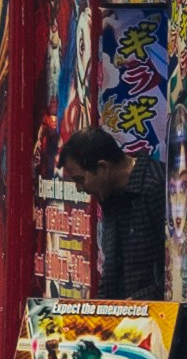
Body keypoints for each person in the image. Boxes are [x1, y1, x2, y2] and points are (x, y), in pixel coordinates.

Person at [60, 121, 168, 302]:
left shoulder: (156, 186)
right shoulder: (109, 195)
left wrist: (135, 303)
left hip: (163, 317)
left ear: (103, 168)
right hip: (128, 317)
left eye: (80, 179)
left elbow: (177, 271)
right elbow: (111, 271)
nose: (80, 188)